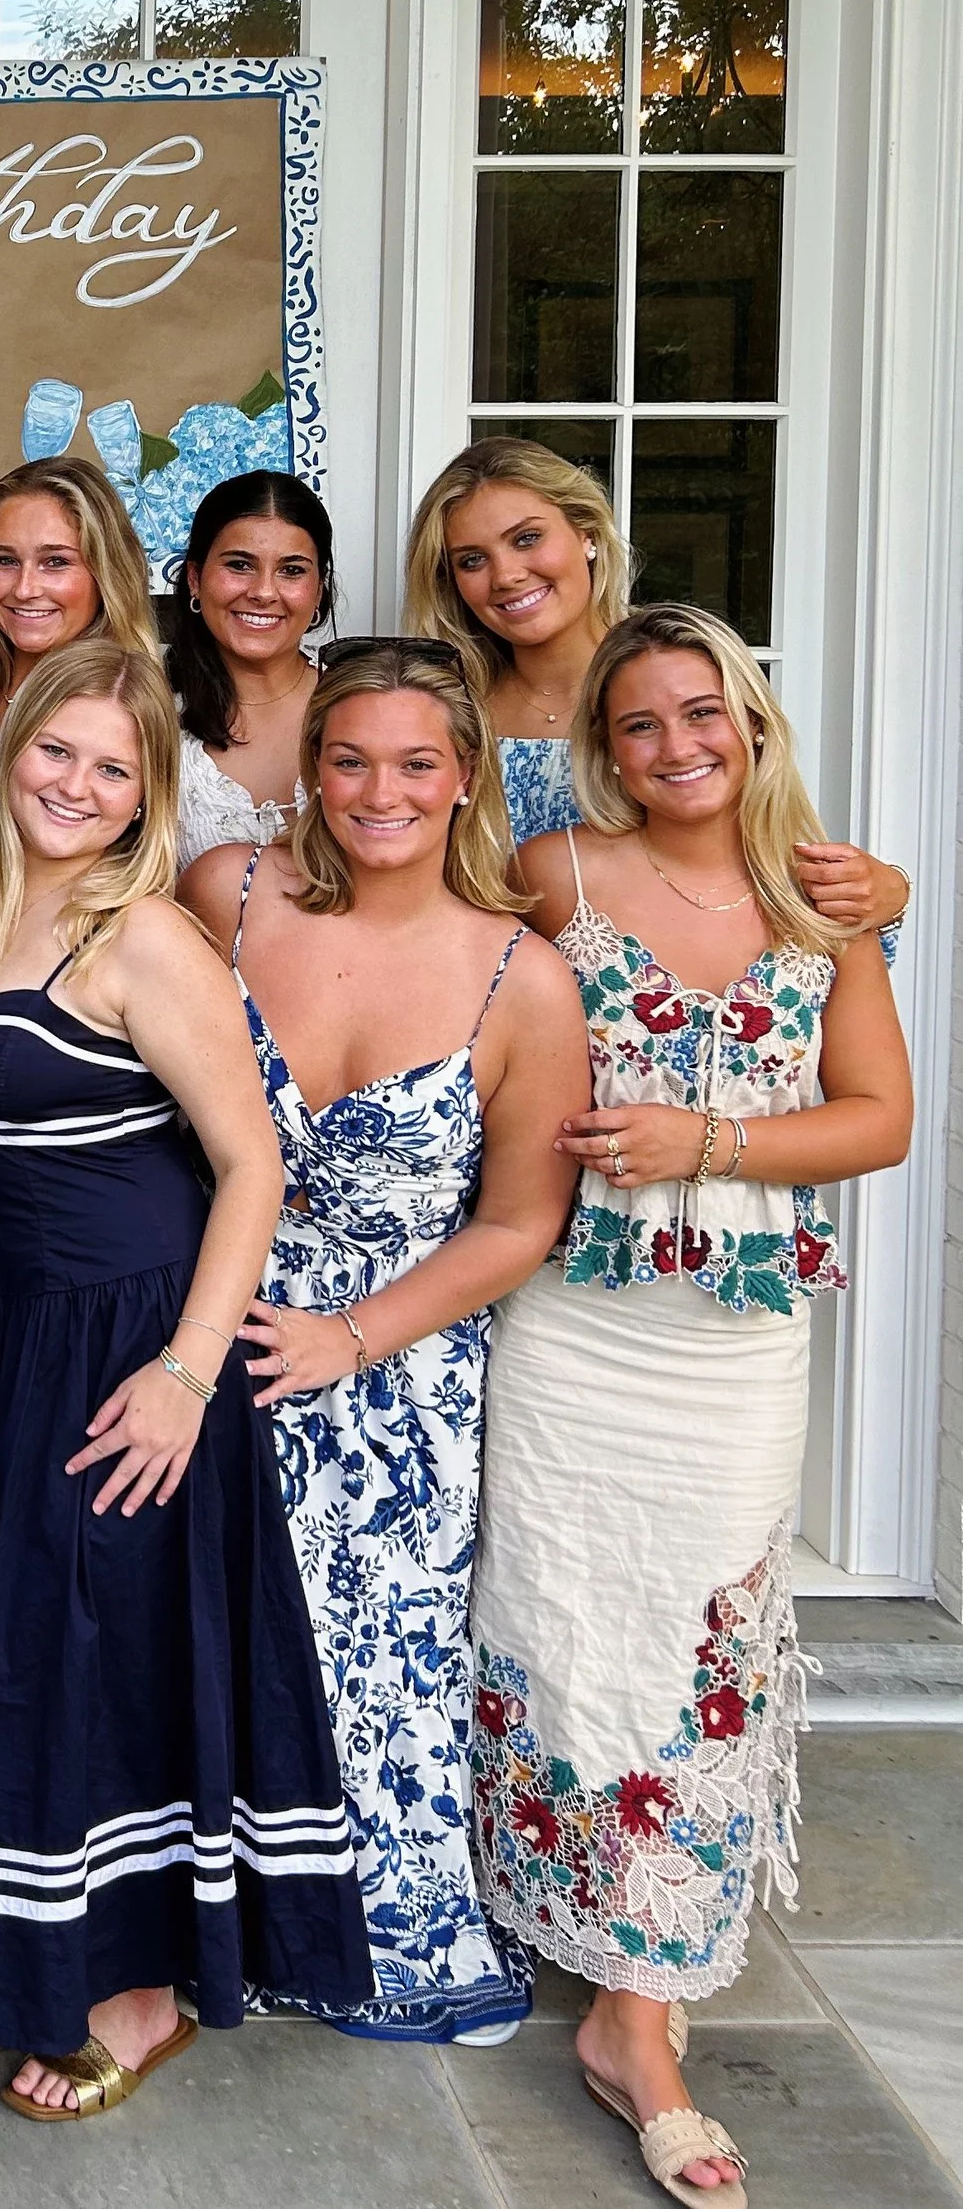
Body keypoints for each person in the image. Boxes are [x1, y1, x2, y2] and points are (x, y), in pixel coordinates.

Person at [0, 639, 372, 2116]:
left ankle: (144, 1991)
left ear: (147, 791)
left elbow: (250, 1163)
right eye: (54, 752)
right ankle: (16, 1953)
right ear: (9, 745)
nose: (73, 787)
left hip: (130, 1334)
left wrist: (186, 1374)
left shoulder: (143, 934)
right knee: (9, 1639)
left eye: (111, 767)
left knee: (116, 1645)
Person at [471, 605, 913, 2202]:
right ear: (607, 741)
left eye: (703, 715)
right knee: (564, 1612)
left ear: (751, 720)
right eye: (643, 723)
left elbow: (880, 1122)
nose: (677, 747)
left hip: (726, 1344)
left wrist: (707, 1144)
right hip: (572, 1322)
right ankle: (588, 1957)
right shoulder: (557, 874)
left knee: (700, 1636)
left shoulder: (824, 900)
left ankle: (639, 2007)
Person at [182, 637, 589, 2046]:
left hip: (393, 1371)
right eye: (349, 757)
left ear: (465, 776)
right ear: (310, 767)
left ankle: (380, 1930)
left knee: (377, 1664)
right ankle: (198, 1931)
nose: (380, 789)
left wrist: (349, 1340)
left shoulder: (521, 978)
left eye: (418, 762)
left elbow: (519, 1220)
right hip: (199, 1339)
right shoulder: (223, 895)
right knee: (204, 1643)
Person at [404, 436, 905, 935]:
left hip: (657, 996)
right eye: (472, 560)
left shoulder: (680, 677)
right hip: (484, 999)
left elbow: (773, 843)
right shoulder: (444, 712)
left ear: (587, 534)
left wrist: (887, 891)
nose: (507, 575)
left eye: (527, 538)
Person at [161, 472, 334, 868]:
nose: (263, 592)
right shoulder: (146, 707)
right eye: (240, 565)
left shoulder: (362, 700)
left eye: (291, 570)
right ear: (194, 579)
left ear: (319, 591)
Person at [0, 456, 158, 721]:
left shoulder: (121, 710)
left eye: (56, 562)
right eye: (6, 560)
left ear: (106, 574)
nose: (24, 590)